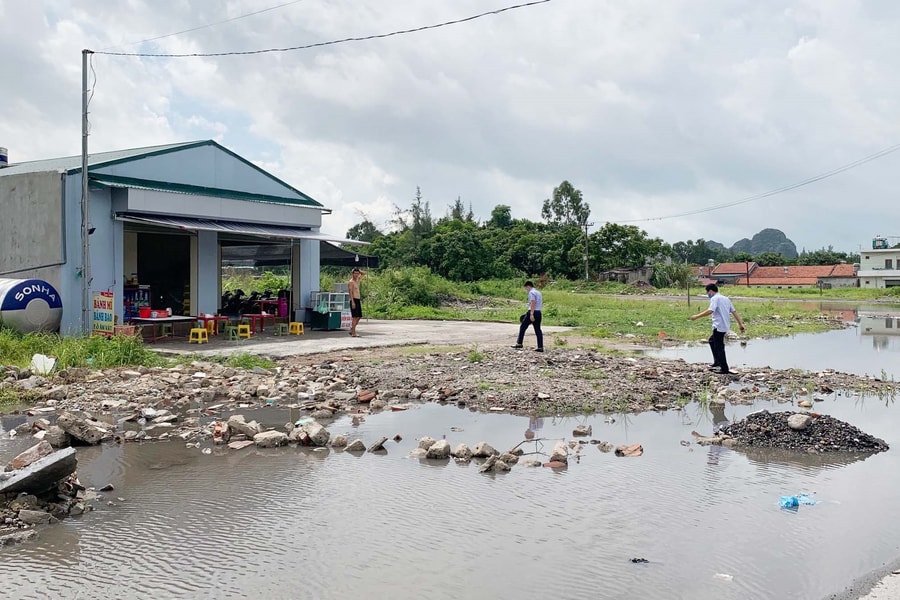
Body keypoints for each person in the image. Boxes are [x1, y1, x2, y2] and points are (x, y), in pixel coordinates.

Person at [690, 283, 745, 374]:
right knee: (712, 341)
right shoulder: (726, 299)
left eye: (708, 292)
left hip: (718, 326)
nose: (708, 294)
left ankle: (724, 368)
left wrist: (697, 316)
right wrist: (740, 324)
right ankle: (717, 362)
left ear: (711, 291)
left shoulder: (715, 298)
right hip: (725, 326)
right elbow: (734, 312)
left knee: (720, 347)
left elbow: (710, 311)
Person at [513, 280, 543, 352]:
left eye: (526, 288)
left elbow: (533, 302)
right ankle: (540, 346)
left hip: (532, 312)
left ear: (528, 286)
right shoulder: (538, 292)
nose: (526, 290)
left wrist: (531, 314)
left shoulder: (531, 292)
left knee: (523, 326)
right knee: (538, 330)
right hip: (538, 312)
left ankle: (519, 343)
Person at [348, 267, 364, 337]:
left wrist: (359, 270)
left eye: (357, 273)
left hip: (358, 299)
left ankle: (352, 329)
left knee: (359, 316)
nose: (356, 275)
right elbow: (350, 292)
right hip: (353, 299)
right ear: (352, 274)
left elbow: (364, 274)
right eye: (355, 273)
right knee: (354, 317)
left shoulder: (357, 280)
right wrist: (352, 302)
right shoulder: (351, 282)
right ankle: (353, 332)